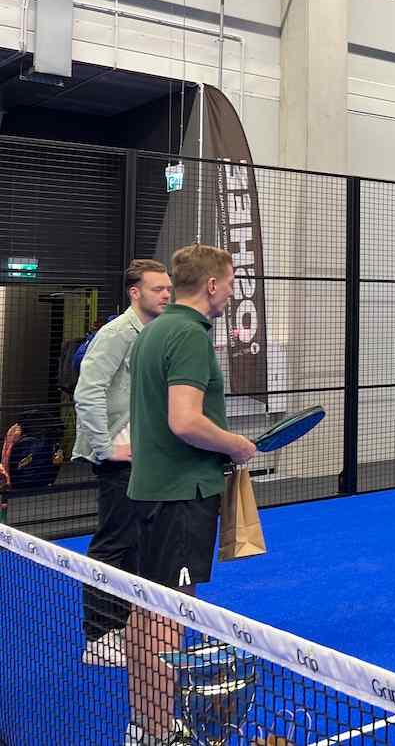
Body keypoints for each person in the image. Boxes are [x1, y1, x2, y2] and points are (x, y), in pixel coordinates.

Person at [124, 244, 258, 746]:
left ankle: (147, 724)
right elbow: (184, 421)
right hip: (180, 495)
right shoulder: (189, 336)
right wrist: (236, 444)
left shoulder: (155, 330)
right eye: (231, 283)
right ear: (212, 285)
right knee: (169, 612)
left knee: (147, 607)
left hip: (152, 491)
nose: (231, 293)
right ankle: (160, 732)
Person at [72, 260, 172, 668]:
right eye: (157, 289)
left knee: (136, 544)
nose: (166, 294)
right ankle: (98, 637)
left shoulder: (155, 333)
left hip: (146, 459)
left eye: (168, 288)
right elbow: (87, 391)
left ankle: (125, 626)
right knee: (113, 545)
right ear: (135, 292)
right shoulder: (115, 333)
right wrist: (105, 448)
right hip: (118, 461)